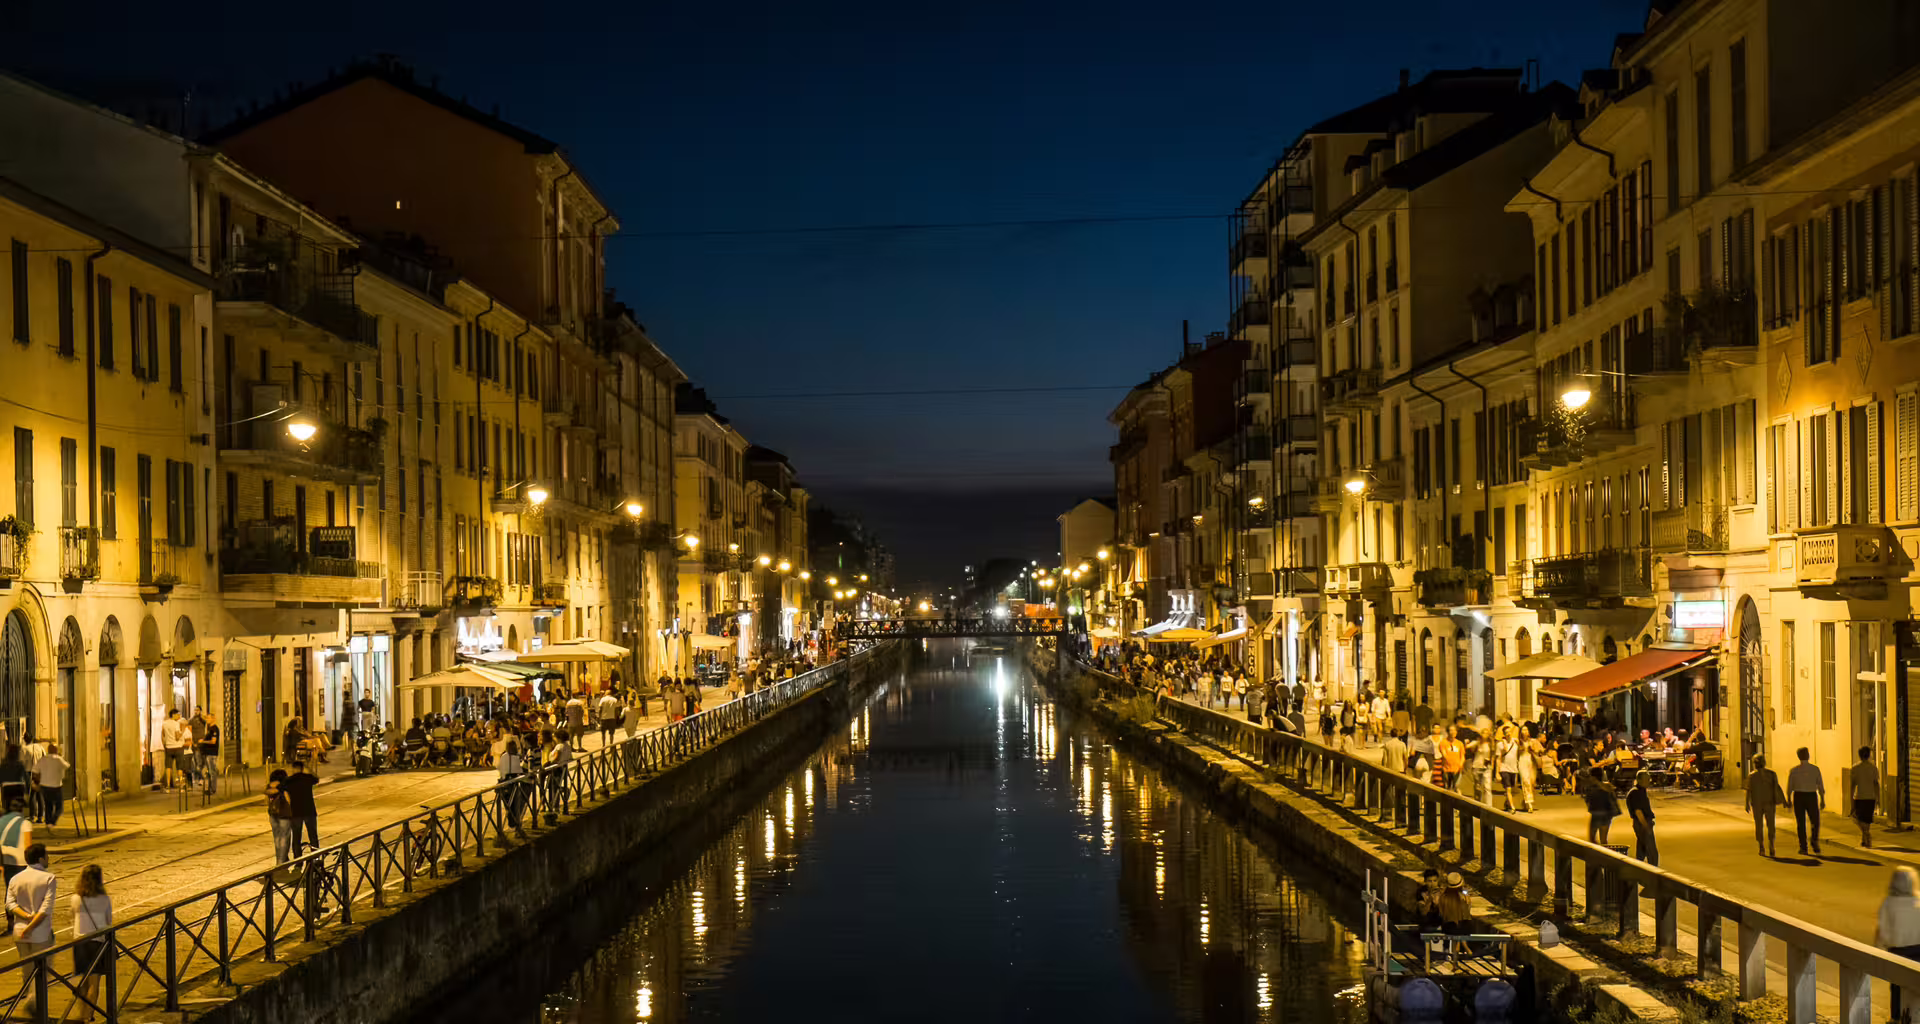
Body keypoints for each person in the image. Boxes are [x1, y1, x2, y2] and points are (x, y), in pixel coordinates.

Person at [7, 842, 54, 1011]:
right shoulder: (48, 878)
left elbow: (10, 905)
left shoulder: (15, 878)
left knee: (27, 971)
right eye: (46, 856)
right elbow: (45, 909)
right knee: (43, 970)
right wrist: (31, 926)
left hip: (19, 933)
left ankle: (30, 1000)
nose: (48, 858)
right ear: (41, 858)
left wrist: (25, 918)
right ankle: (36, 1005)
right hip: (40, 933)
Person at [1877, 866, 1920, 1024]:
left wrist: (1883, 945)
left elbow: (1884, 930)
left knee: (1896, 987)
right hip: (1919, 949)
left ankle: (1896, 1018)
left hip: (1898, 951)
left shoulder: (1889, 902)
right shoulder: (1919, 900)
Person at [71, 863, 111, 1022]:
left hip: (79, 943)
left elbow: (73, 915)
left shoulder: (76, 898)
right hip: (97, 942)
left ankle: (82, 1015)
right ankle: (89, 1016)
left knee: (82, 981)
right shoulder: (104, 899)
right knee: (94, 983)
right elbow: (109, 922)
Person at [1745, 754, 1786, 857]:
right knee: (1771, 825)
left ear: (1754, 764)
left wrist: (1747, 803)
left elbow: (1748, 791)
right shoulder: (1771, 774)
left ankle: (1761, 846)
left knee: (1759, 825)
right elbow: (1777, 788)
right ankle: (1771, 845)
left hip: (1757, 803)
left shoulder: (1751, 776)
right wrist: (1784, 800)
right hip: (1769, 802)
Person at [1788, 746, 1825, 856]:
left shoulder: (1794, 770)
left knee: (1801, 823)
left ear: (1798, 757)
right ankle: (1814, 840)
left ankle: (1803, 847)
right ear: (1808, 755)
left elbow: (1790, 786)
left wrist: (1788, 799)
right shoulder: (1815, 769)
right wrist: (1823, 799)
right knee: (1815, 820)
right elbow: (1820, 785)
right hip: (1811, 796)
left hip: (1798, 796)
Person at [281, 761, 320, 860]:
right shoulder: (308, 778)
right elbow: (316, 779)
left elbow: (281, 789)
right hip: (309, 811)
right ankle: (315, 857)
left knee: (296, 837)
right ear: (302, 768)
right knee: (313, 836)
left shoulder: (289, 780)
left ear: (294, 768)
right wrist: (309, 768)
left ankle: (298, 859)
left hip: (296, 812)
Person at [1851, 746, 1882, 850]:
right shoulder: (1873, 768)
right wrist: (1878, 798)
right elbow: (1876, 784)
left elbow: (1852, 785)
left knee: (1856, 818)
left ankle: (1866, 835)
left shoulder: (1855, 768)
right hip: (1870, 797)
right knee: (1867, 820)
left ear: (1859, 755)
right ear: (1869, 755)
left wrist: (1850, 799)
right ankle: (1865, 837)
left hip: (1859, 797)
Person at [1626, 770, 1658, 865]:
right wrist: (1646, 826)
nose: (1649, 781)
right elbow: (1638, 811)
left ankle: (1638, 868)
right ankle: (1653, 872)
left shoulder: (1640, 791)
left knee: (1642, 849)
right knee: (1651, 852)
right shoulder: (1636, 793)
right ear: (1639, 780)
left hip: (1642, 823)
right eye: (1647, 779)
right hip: (1642, 823)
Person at [30, 744, 65, 829]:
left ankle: (47, 822)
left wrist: (36, 781)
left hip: (45, 785)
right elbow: (67, 766)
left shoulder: (43, 759)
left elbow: (34, 769)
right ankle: (51, 821)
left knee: (48, 804)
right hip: (56, 786)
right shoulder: (58, 759)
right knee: (59, 807)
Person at [265, 769, 295, 865]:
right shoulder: (284, 787)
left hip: (273, 815)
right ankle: (281, 861)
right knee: (284, 837)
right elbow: (288, 800)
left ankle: (279, 859)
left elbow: (266, 801)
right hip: (284, 815)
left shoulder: (269, 787)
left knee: (277, 838)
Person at [1584, 766, 1620, 845]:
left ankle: (1598, 853)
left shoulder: (1591, 788)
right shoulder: (1607, 787)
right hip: (1606, 814)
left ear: (1593, 777)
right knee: (1603, 840)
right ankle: (1604, 853)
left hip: (1597, 814)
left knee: (1592, 838)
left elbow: (1588, 801)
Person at [160, 708, 190, 789]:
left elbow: (162, 735)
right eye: (178, 714)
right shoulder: (176, 724)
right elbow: (177, 736)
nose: (179, 716)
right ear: (173, 715)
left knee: (168, 767)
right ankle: (180, 785)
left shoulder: (164, 723)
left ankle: (168, 785)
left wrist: (165, 744)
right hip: (177, 747)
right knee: (179, 767)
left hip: (168, 747)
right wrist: (183, 731)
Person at [1438, 726, 1465, 791]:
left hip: (1457, 770)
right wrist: (1449, 766)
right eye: (1451, 730)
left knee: (1456, 787)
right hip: (1446, 769)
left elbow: (1462, 756)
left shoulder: (1460, 743)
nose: (1453, 732)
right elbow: (1444, 755)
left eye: (1454, 730)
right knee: (1447, 789)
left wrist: (1460, 766)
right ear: (1448, 732)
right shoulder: (1443, 742)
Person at [0, 746, 25, 814]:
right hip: (18, 787)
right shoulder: (20, 764)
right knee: (18, 808)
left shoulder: (3, 764)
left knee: (7, 807)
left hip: (7, 788)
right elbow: (24, 777)